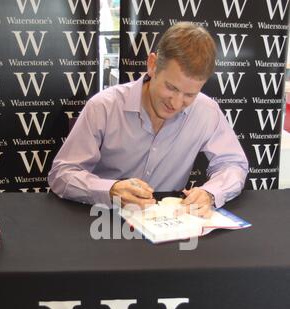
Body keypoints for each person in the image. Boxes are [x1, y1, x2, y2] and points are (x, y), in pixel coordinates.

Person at [48, 22, 248, 217]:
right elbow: (62, 174)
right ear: (152, 65)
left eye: (190, 95)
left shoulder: (206, 111)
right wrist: (111, 190)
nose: (177, 103)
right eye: (171, 88)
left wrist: (210, 193)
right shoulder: (103, 107)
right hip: (104, 220)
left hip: (168, 225)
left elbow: (233, 164)